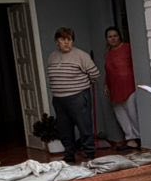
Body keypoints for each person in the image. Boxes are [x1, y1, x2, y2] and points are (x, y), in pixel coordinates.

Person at [45, 27, 101, 164]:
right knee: (64, 129)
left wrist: (82, 88)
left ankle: (89, 154)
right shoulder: (52, 56)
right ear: (57, 41)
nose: (66, 43)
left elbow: (95, 75)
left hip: (78, 96)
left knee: (84, 126)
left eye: (69, 40)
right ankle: (69, 154)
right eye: (63, 39)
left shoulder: (81, 56)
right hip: (58, 99)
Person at [104, 26, 141, 150]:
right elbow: (108, 72)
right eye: (110, 37)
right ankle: (130, 139)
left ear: (120, 36)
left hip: (129, 86)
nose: (113, 39)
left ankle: (139, 137)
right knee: (121, 114)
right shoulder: (108, 54)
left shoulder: (127, 48)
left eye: (115, 36)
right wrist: (106, 85)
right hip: (115, 88)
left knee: (132, 113)